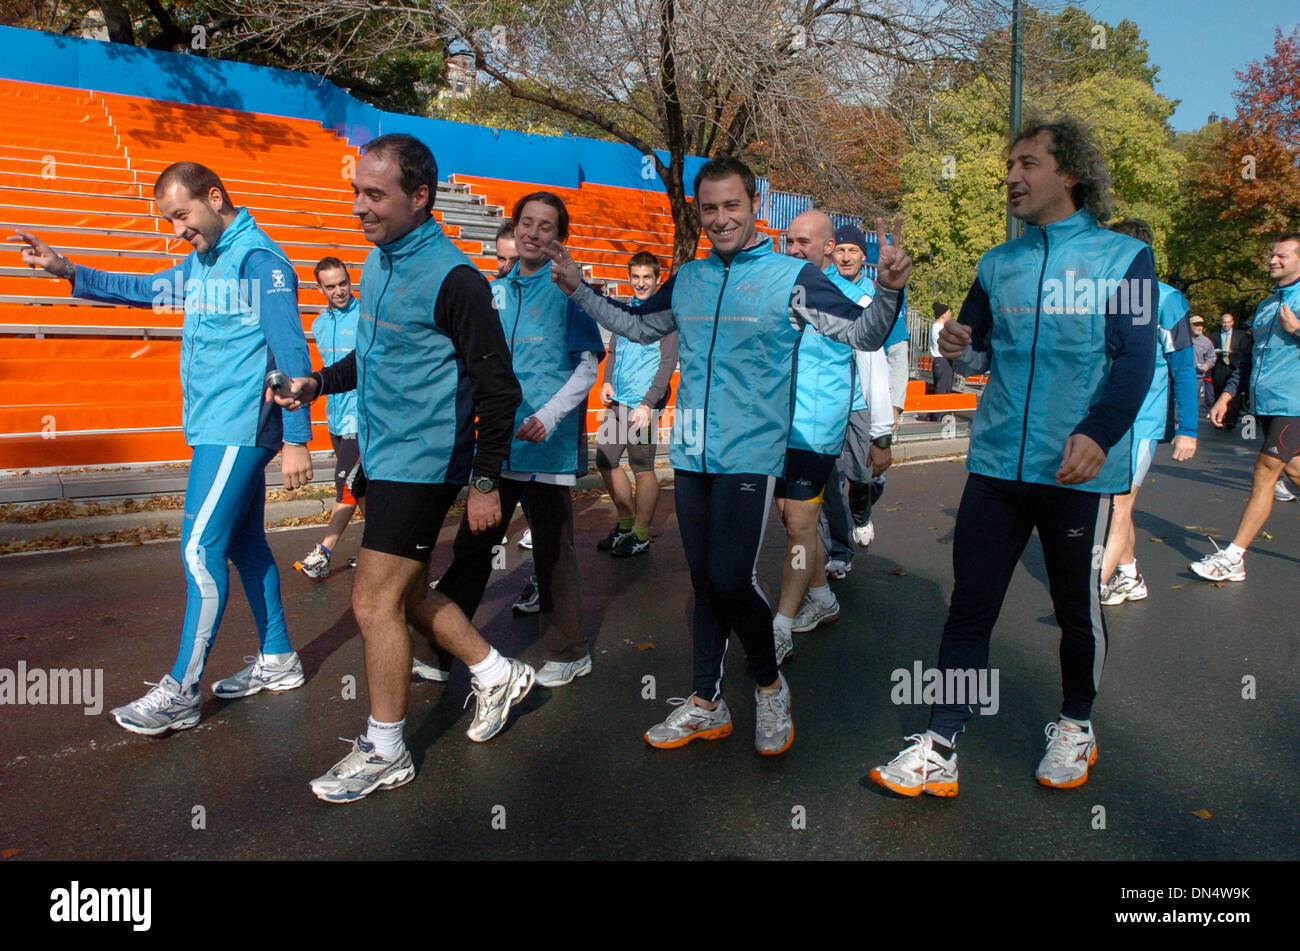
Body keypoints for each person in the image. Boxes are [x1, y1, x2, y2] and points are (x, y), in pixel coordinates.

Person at [545, 156, 911, 756]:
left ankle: (769, 686)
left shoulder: (791, 277)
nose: (720, 218)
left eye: (732, 206)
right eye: (709, 208)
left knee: (728, 578)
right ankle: (704, 703)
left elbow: (864, 333)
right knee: (702, 581)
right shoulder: (688, 278)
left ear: (755, 208)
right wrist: (579, 290)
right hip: (692, 452)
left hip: (752, 453)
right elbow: (637, 326)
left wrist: (892, 288)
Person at [869, 119, 1157, 797]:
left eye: (1028, 163)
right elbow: (971, 353)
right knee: (970, 604)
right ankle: (941, 741)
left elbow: (1136, 360)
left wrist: (1100, 430)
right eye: (1009, 166)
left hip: (1074, 468)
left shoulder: (1125, 259)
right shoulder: (998, 263)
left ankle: (1076, 722)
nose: (1011, 177)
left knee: (1075, 606)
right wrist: (953, 343)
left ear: (1072, 174)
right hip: (997, 463)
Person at [11, 163, 316, 735]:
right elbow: (145, 290)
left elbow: (290, 347)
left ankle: (181, 689)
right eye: (168, 220)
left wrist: (298, 439)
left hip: (239, 426)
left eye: (182, 216)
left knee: (199, 550)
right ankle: (278, 658)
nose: (177, 230)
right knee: (245, 546)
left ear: (214, 197)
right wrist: (67, 270)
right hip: (213, 424)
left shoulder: (261, 262)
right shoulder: (204, 260)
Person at [270, 134, 530, 802]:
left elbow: (499, 389)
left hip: (427, 460)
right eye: (357, 190)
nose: (359, 205)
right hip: (384, 456)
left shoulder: (457, 281)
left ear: (419, 197)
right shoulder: (378, 260)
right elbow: (377, 356)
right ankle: (495, 670)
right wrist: (316, 383)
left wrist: (485, 479)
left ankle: (387, 750)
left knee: (372, 599)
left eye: (375, 193)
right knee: (406, 595)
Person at [433, 191, 605, 688]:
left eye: (545, 226)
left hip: (545, 443)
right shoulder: (495, 290)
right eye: (526, 223)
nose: (533, 232)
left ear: (559, 237)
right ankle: (442, 645)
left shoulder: (570, 291)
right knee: (474, 544)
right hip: (498, 444)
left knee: (552, 549)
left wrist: (549, 416)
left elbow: (588, 365)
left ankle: (571, 651)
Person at [773, 210, 892, 664]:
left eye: (805, 241)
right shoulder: (784, 290)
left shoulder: (850, 303)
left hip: (817, 429)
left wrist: (881, 436)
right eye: (790, 241)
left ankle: (781, 624)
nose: (795, 249)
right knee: (790, 520)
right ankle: (821, 595)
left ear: (828, 248)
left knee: (800, 528)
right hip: (780, 427)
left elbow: (872, 366)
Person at [1098, 219, 1199, 605]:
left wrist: (1187, 429)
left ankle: (1090, 593)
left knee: (1118, 504)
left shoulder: (1169, 300)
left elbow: (1184, 369)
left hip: (1142, 422)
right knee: (1117, 503)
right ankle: (1129, 575)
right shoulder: (1106, 296)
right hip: (1106, 419)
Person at [1190, 233, 1300, 582]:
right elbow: (1248, 358)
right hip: (1266, 403)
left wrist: (1297, 329)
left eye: (1282, 255)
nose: (1273, 260)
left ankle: (1234, 556)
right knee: (1294, 472)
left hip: (1294, 402)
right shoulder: (1266, 306)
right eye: (1272, 254)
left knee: (1265, 472)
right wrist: (1226, 395)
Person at [825, 225, 908, 556]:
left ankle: (861, 512)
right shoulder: (819, 287)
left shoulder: (877, 294)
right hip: (827, 400)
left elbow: (898, 351)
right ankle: (838, 552)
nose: (846, 256)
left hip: (863, 403)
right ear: (831, 252)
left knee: (863, 476)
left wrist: (895, 407)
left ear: (863, 256)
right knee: (829, 482)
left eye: (853, 251)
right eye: (841, 250)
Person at [594, 251, 678, 557]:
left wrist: (647, 403)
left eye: (647, 277)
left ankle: (640, 533)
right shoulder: (626, 311)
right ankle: (626, 524)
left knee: (642, 467)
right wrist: (606, 379)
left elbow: (667, 365)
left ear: (657, 280)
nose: (640, 283)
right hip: (618, 399)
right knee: (606, 460)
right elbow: (614, 350)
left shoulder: (664, 316)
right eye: (636, 277)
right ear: (629, 278)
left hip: (644, 404)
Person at [296, 257, 363, 580]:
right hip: (335, 421)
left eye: (343, 283)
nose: (339, 291)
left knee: (345, 487)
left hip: (361, 420)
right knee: (363, 490)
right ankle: (384, 552)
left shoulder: (366, 317)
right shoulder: (320, 324)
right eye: (331, 286)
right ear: (319, 289)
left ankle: (324, 552)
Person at [1210, 312, 1252, 429]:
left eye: (1228, 322)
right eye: (1224, 322)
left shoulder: (1241, 335)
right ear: (1221, 323)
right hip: (1220, 366)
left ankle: (1231, 420)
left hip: (1235, 365)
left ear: (1233, 322)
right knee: (1218, 392)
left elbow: (1245, 352)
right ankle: (1219, 419)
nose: (1226, 324)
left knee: (1234, 395)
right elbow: (1209, 351)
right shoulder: (1214, 335)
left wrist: (1235, 353)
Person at [926, 302, 955, 420]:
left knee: (943, 389)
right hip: (942, 361)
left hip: (943, 361)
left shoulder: (937, 327)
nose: (950, 314)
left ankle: (939, 415)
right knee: (942, 389)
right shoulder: (939, 328)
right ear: (943, 315)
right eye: (948, 312)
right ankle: (938, 416)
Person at [1191, 315, 1217, 417]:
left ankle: (1190, 426)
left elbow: (1212, 357)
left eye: (1201, 325)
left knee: (1193, 402)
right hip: (1180, 375)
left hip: (1197, 377)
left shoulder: (1206, 342)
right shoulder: (1181, 339)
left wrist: (1207, 365)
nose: (1200, 327)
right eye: (1196, 325)